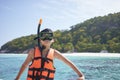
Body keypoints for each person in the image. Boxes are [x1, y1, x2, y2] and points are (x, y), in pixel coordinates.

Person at [15, 28, 85, 80]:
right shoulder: (33, 52)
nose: (46, 39)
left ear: (53, 40)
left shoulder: (54, 53)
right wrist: (17, 78)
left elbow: (69, 63)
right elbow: (24, 65)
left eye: (49, 37)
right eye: (44, 36)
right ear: (40, 40)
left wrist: (81, 75)